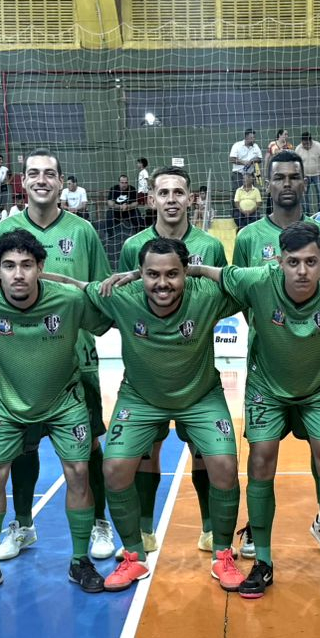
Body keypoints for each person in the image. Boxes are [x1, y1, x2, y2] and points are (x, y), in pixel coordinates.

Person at [189, 223, 320, 599]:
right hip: (267, 389)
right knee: (261, 459)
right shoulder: (256, 280)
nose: (302, 271)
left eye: (311, 262)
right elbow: (211, 271)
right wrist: (149, 272)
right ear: (278, 262)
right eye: (293, 262)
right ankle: (262, 561)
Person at [71, 237, 243, 591]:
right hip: (140, 398)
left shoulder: (207, 295)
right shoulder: (121, 296)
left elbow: (254, 280)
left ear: (187, 273)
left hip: (201, 396)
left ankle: (223, 554)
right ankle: (133, 557)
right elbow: (73, 287)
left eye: (172, 274)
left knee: (224, 465)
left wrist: (198, 269)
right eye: (151, 274)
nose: (162, 283)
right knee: (115, 468)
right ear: (140, 274)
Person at [0, 230, 112, 595]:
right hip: (7, 404)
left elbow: (106, 315)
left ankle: (80, 560)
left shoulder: (70, 300)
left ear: (41, 268)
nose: (18, 274)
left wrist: (73, 280)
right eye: (8, 266)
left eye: (27, 265)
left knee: (78, 472)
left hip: (63, 401)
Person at [0, 149, 115, 561]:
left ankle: (99, 523)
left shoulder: (83, 232)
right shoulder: (3, 230)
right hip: (19, 363)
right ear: (21, 182)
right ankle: (23, 524)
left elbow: (99, 296)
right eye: (33, 174)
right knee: (22, 448)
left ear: (62, 182)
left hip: (77, 360)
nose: (41, 179)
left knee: (89, 446)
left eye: (49, 173)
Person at [117, 166, 228, 553]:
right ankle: (144, 528)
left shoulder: (210, 246)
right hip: (147, 372)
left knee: (204, 449)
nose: (171, 200)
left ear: (190, 198)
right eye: (163, 193)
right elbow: (126, 301)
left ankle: (211, 527)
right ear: (151, 199)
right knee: (147, 448)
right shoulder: (134, 247)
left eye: (178, 192)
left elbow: (219, 296)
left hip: (194, 367)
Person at [232, 152, 320, 268]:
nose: (287, 184)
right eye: (279, 178)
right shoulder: (247, 237)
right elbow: (238, 284)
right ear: (268, 186)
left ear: (305, 184)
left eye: (294, 177)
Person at [295, 132, 320, 215]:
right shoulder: (298, 149)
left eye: (307, 143)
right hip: (304, 176)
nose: (305, 146)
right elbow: (296, 163)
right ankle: (306, 213)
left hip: (318, 174)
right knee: (303, 195)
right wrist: (300, 176)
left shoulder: (318, 146)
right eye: (303, 144)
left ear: (310, 141)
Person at [104, 174, 138, 259]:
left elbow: (136, 203)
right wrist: (119, 207)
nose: (124, 184)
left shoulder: (132, 189)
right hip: (116, 211)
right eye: (122, 182)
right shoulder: (114, 189)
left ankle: (138, 233)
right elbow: (110, 203)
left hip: (128, 211)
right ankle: (110, 235)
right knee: (109, 214)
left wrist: (128, 206)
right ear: (119, 182)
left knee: (137, 215)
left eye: (126, 182)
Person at [228, 129, 262, 197]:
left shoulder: (256, 146)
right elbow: (231, 159)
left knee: (251, 195)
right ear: (246, 137)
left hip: (250, 175)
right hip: (238, 174)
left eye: (254, 137)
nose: (254, 139)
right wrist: (243, 162)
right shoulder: (237, 145)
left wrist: (252, 161)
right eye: (251, 138)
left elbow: (260, 159)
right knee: (237, 195)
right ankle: (236, 208)